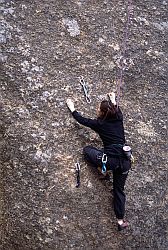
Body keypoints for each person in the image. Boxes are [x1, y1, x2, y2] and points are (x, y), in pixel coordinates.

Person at [66, 92, 131, 231]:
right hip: (125, 161)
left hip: (110, 161)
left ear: (102, 113)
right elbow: (117, 108)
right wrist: (113, 99)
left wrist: (72, 108)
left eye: (98, 109)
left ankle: (103, 170)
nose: (97, 110)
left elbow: (82, 120)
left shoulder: (99, 124)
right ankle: (120, 221)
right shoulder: (119, 117)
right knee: (119, 190)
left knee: (88, 150)